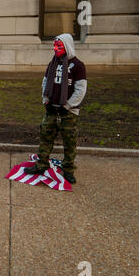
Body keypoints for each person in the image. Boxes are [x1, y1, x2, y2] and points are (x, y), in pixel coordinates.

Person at [24, 33, 87, 184]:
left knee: (69, 141)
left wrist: (68, 106)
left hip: (68, 112)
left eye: (59, 46)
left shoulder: (78, 65)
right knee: (45, 136)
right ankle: (41, 164)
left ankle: (68, 169)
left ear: (67, 46)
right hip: (52, 109)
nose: (56, 49)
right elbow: (45, 82)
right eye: (55, 46)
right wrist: (45, 100)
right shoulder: (53, 63)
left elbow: (81, 89)